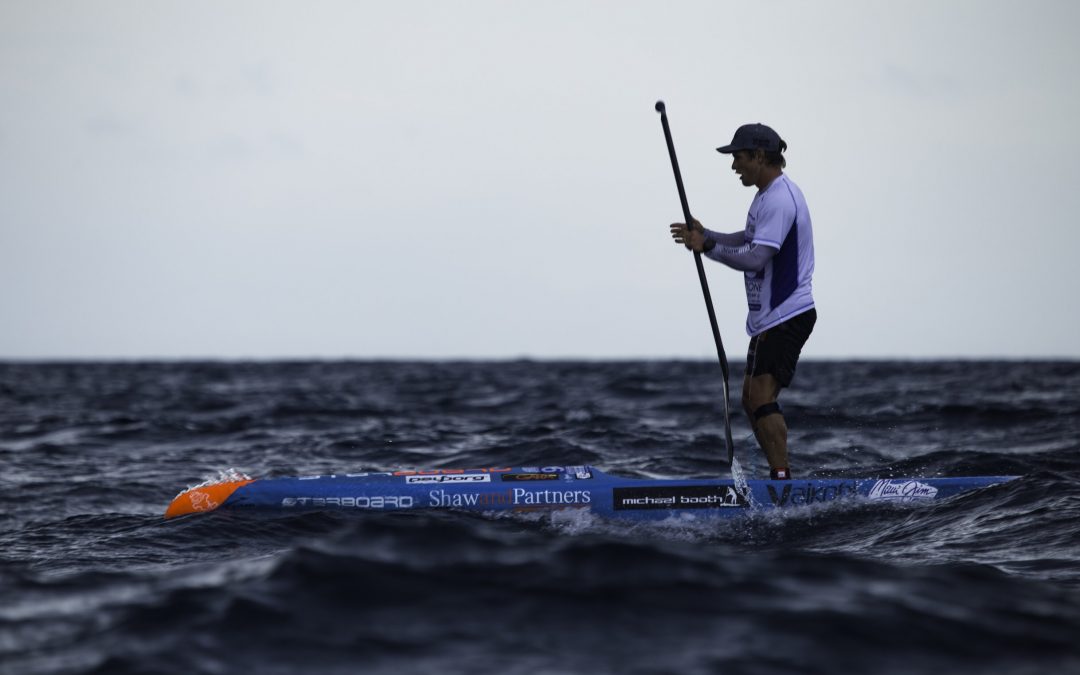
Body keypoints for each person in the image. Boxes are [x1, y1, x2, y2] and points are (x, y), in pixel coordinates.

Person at [669, 123, 816, 480]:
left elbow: (755, 258)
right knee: (750, 398)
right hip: (770, 317)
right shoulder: (766, 195)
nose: (734, 166)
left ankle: (782, 480)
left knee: (760, 397)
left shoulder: (781, 198)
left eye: (738, 158)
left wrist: (708, 248)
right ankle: (776, 476)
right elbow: (748, 238)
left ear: (760, 156)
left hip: (787, 313)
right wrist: (709, 235)